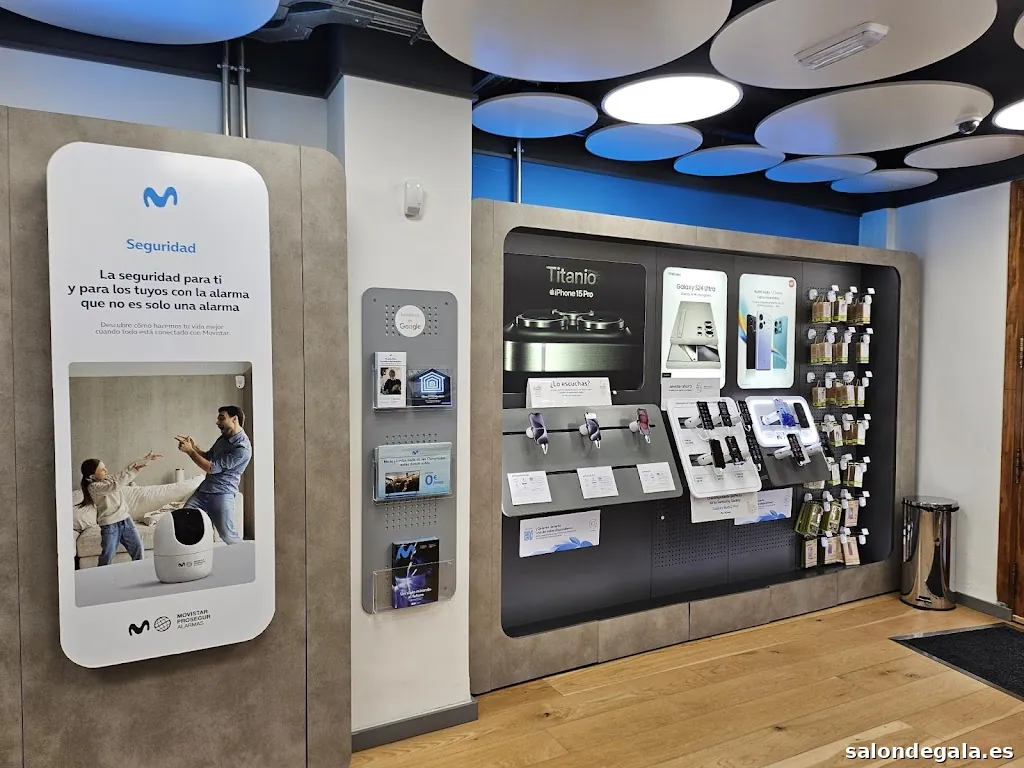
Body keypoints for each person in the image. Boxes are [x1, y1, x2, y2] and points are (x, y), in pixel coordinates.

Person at [176, 405, 252, 544]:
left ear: (234, 419)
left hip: (222, 494)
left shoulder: (242, 448)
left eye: (221, 418)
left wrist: (190, 451)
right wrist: (194, 446)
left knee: (228, 536)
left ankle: (244, 556)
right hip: (203, 491)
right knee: (185, 521)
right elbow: (209, 456)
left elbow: (211, 468)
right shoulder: (223, 438)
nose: (217, 422)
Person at [78, 452, 163, 566]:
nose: (106, 470)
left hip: (126, 521)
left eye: (105, 467)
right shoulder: (93, 487)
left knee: (138, 549)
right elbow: (115, 486)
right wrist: (133, 472)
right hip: (110, 526)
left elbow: (126, 470)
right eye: (102, 470)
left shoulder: (108, 478)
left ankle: (140, 572)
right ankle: (101, 574)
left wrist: (146, 460)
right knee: (108, 555)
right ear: (92, 476)